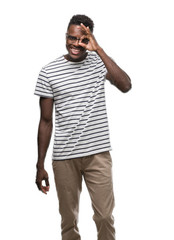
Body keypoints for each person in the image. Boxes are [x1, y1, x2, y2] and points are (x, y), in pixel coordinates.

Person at [34, 14, 132, 240]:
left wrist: (99, 50)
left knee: (105, 216)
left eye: (82, 39)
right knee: (69, 220)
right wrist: (40, 164)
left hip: (98, 155)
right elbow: (45, 122)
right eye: (71, 38)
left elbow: (126, 85)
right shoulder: (49, 72)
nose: (75, 44)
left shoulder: (99, 63)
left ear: (89, 39)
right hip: (64, 157)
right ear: (66, 36)